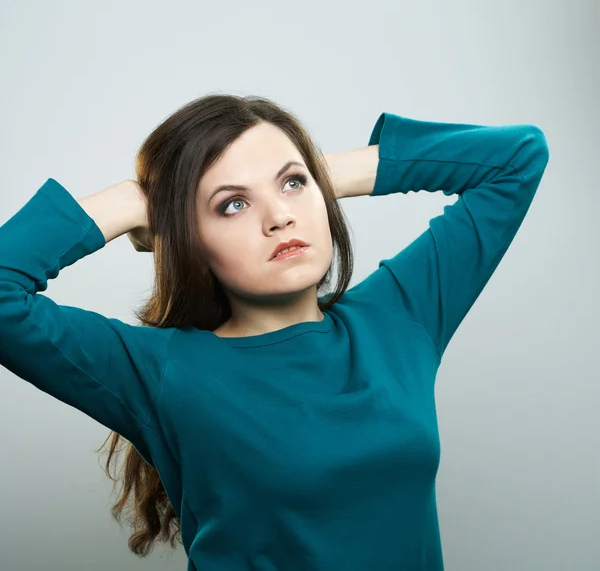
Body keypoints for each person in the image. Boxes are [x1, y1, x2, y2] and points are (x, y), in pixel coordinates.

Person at [0, 93, 550, 570]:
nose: (279, 218)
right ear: (189, 238)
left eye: (293, 185)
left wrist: (308, 172)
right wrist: (131, 201)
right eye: (232, 205)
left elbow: (517, 157)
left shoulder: (397, 317)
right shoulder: (166, 370)